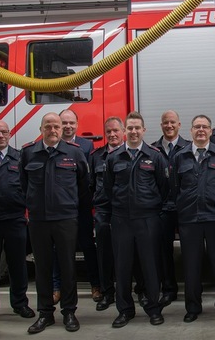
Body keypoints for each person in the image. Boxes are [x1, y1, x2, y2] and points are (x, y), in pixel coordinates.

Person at [20, 112, 90, 334]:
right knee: (42, 268)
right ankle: (45, 313)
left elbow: (83, 184)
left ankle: (69, 312)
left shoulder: (75, 153)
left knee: (68, 266)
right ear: (41, 129)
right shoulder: (29, 153)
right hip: (39, 220)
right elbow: (23, 184)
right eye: (48, 126)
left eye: (56, 127)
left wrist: (66, 205)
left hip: (66, 219)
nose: (52, 130)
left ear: (62, 129)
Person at [102, 111, 167, 328]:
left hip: (148, 219)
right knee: (122, 267)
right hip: (121, 220)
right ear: (124, 132)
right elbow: (109, 189)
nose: (133, 131)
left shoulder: (155, 156)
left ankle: (153, 309)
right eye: (129, 128)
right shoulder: (113, 158)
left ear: (144, 130)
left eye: (137, 127)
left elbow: (164, 187)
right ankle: (125, 310)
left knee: (150, 267)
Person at [169, 115, 215, 323]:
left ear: (211, 130)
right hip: (189, 219)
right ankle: (193, 307)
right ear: (190, 130)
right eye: (197, 127)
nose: (201, 130)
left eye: (205, 127)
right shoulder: (180, 156)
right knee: (191, 266)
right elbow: (174, 188)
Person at [0, 120, 35, 319]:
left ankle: (20, 303)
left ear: (10, 134)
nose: (0, 136)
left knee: (17, 265)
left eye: (3, 132)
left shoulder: (20, 157)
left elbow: (28, 186)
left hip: (15, 219)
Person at [59, 109, 100, 303]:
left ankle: (95, 285)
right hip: (59, 208)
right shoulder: (51, 144)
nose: (68, 126)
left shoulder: (86, 145)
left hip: (81, 205)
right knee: (58, 249)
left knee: (88, 247)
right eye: (64, 123)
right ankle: (56, 287)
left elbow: (88, 177)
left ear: (77, 124)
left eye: (71, 123)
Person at [151, 110, 191, 308]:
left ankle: (193, 288)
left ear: (179, 125)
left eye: (172, 122)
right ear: (161, 125)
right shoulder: (153, 150)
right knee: (164, 250)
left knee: (191, 251)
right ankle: (168, 289)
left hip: (184, 208)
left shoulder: (188, 148)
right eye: (165, 122)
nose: (169, 126)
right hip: (163, 208)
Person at [91, 117, 123, 311]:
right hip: (103, 211)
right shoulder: (96, 156)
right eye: (108, 131)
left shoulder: (130, 153)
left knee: (130, 253)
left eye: (115, 131)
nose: (112, 135)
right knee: (104, 253)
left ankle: (140, 290)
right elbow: (90, 184)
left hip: (124, 211)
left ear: (123, 132)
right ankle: (107, 292)